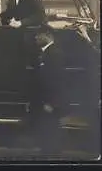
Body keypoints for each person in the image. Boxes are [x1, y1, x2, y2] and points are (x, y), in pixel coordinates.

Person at [29, 25, 67, 156]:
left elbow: (57, 80)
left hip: (50, 102)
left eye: (39, 34)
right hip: (44, 101)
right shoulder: (46, 52)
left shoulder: (54, 53)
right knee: (46, 130)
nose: (36, 37)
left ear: (48, 35)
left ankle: (53, 156)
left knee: (51, 130)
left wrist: (51, 102)